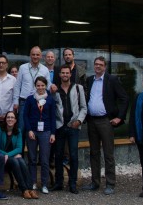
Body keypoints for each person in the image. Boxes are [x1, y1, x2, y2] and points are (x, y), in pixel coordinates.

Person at [82, 56, 129, 195]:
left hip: (105, 121)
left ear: (105, 67)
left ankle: (110, 183)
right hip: (92, 121)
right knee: (94, 153)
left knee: (108, 153)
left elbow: (124, 98)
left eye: (100, 65)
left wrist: (119, 117)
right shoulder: (90, 80)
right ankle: (95, 182)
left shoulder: (112, 80)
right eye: (96, 64)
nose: (98, 66)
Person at [51, 64, 87, 194]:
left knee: (73, 155)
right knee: (58, 155)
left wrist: (79, 121)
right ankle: (58, 182)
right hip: (60, 126)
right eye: (63, 73)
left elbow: (84, 107)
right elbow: (52, 108)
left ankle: (72, 183)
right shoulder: (55, 90)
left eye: (67, 73)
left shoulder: (78, 88)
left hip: (73, 126)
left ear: (70, 74)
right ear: (59, 75)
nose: (65, 75)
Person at [24, 76, 57, 194]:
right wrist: (29, 130)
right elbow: (25, 116)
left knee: (44, 160)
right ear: (35, 86)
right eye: (38, 85)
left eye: (42, 85)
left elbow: (53, 117)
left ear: (46, 86)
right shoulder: (30, 99)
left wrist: (53, 133)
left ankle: (44, 184)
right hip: (33, 132)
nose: (40, 87)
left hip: (46, 132)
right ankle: (33, 182)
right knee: (32, 159)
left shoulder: (50, 100)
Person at [0, 111, 38, 199]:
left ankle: (30, 189)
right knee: (16, 160)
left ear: (15, 120)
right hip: (1, 159)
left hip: (11, 157)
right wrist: (6, 155)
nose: (10, 119)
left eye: (12, 117)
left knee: (22, 161)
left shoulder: (18, 131)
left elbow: (19, 148)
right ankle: (24, 190)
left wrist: (8, 154)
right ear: (5, 119)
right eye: (8, 117)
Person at [13, 46, 51, 133]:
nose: (35, 57)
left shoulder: (45, 69)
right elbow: (17, 85)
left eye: (37, 55)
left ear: (41, 56)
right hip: (24, 102)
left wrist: (53, 87)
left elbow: (48, 86)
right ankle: (20, 146)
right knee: (21, 128)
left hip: (38, 102)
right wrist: (15, 101)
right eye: (33, 54)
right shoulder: (22, 68)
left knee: (35, 128)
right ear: (30, 55)